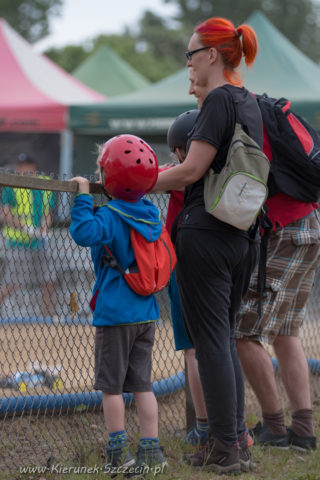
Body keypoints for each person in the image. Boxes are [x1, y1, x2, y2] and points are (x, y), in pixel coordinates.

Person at [152, 17, 262, 475]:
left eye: (191, 55)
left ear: (212, 55)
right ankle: (236, 441)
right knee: (225, 340)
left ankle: (223, 449)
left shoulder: (217, 99)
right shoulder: (250, 102)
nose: (189, 65)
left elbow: (191, 170)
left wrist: (133, 183)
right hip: (242, 236)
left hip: (205, 233)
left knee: (210, 342)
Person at [69, 134, 167, 475]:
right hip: (146, 313)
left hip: (115, 314)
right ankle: (151, 451)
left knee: (111, 387)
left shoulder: (111, 215)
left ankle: (117, 451)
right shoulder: (150, 212)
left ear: (107, 178)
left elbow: (83, 234)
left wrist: (83, 196)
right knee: (142, 384)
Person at [235, 125, 320, 451]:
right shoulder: (268, 114)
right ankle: (303, 431)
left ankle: (274, 427)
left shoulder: (232, 110)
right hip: (309, 221)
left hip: (284, 229)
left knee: (242, 331)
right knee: (286, 331)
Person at [165, 108, 209, 446]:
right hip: (224, 260)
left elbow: (152, 173)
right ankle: (230, 423)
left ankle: (204, 426)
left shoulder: (180, 174)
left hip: (186, 262)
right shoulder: (224, 169)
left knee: (194, 350)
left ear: (182, 150)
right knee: (221, 344)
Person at [0, 153, 56, 318]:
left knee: (49, 281)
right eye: (19, 166)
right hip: (18, 242)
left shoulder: (45, 183)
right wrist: (26, 227)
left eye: (24, 166)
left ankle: (46, 319)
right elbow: (4, 213)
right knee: (13, 283)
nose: (20, 169)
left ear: (33, 167)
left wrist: (44, 230)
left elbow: (49, 210)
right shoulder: (12, 185)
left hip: (40, 242)